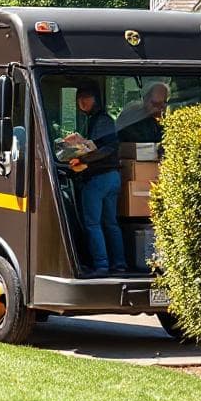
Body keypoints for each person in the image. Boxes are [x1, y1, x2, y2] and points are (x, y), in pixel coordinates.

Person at [69, 83, 127, 277]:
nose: (82, 101)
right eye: (79, 98)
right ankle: (119, 264)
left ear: (96, 99)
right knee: (110, 223)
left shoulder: (101, 120)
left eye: (87, 97)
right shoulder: (101, 120)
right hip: (113, 177)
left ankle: (101, 265)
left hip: (98, 178)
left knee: (93, 223)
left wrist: (81, 157)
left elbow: (105, 148)